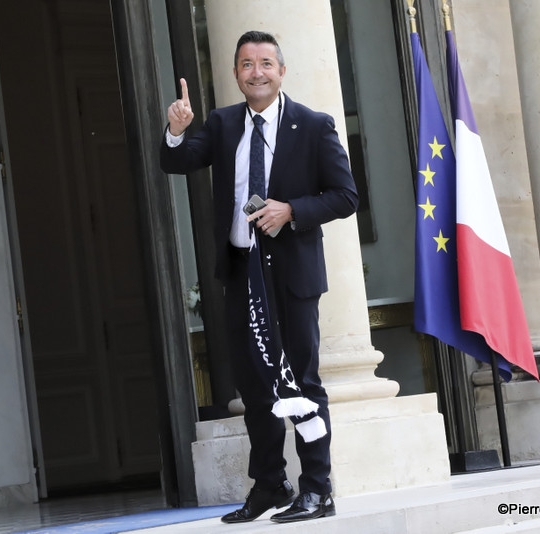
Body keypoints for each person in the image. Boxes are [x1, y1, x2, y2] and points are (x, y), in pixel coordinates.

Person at [160, 30, 358, 524]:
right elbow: (178, 161)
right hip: (241, 276)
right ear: (235, 74)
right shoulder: (224, 123)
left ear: (281, 70)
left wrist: (291, 210)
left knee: (301, 383)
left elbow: (346, 196)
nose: (256, 72)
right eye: (246, 64)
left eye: (265, 63)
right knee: (253, 387)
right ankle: (269, 484)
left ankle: (318, 488)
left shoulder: (312, 125)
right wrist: (176, 130)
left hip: (291, 279)